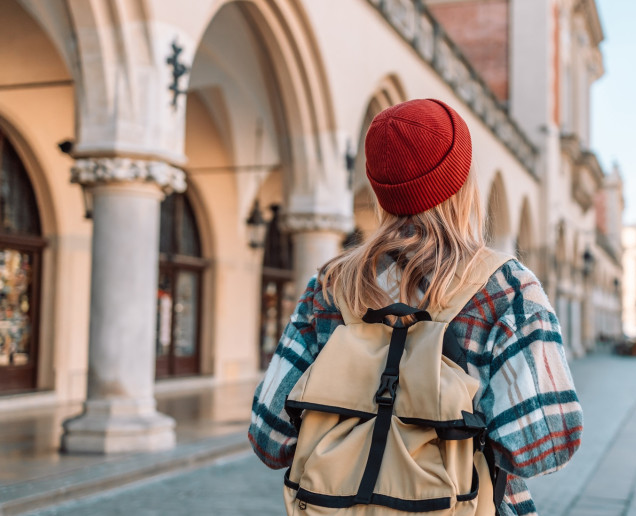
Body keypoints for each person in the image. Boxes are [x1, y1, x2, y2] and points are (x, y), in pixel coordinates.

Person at [249, 98, 582, 515]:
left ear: (378, 187)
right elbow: (544, 445)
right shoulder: (506, 288)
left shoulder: (330, 286)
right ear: (462, 181)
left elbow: (269, 436)